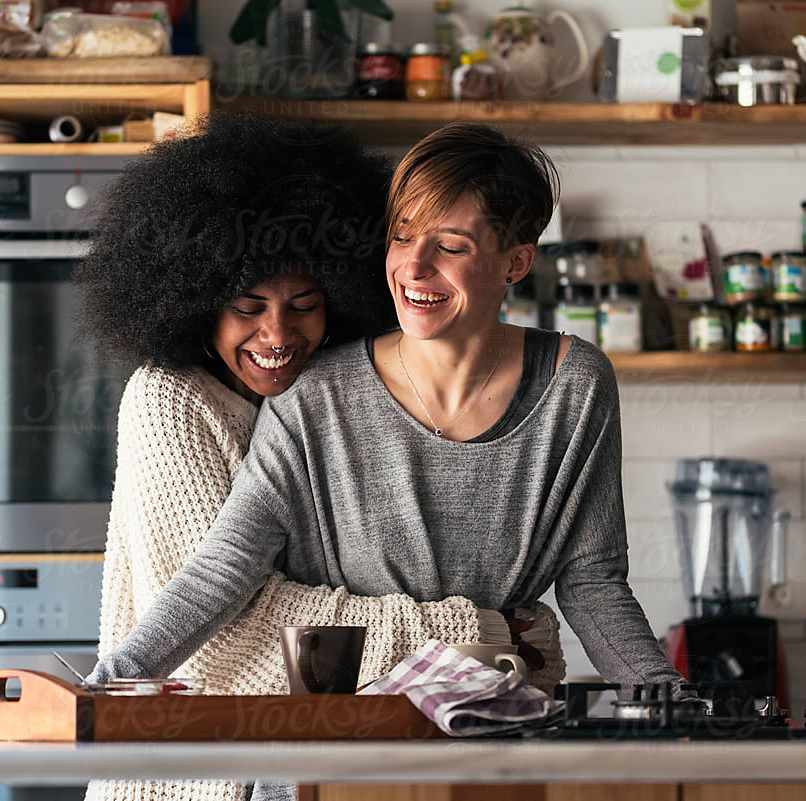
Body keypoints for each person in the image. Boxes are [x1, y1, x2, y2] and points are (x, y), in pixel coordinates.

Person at [86, 119, 682, 699]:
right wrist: (105, 681)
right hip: (339, 742)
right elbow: (227, 565)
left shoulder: (575, 384)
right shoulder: (314, 389)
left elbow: (592, 579)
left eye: (450, 246)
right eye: (400, 235)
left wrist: (667, 700)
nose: (414, 267)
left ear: (516, 263)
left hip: (500, 729)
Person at [74, 113, 564, 801]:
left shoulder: (320, 397)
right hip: (194, 784)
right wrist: (469, 629)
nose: (278, 334)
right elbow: (228, 637)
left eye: (304, 305)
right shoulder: (172, 400)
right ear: (193, 304)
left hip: (311, 767)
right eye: (248, 307)